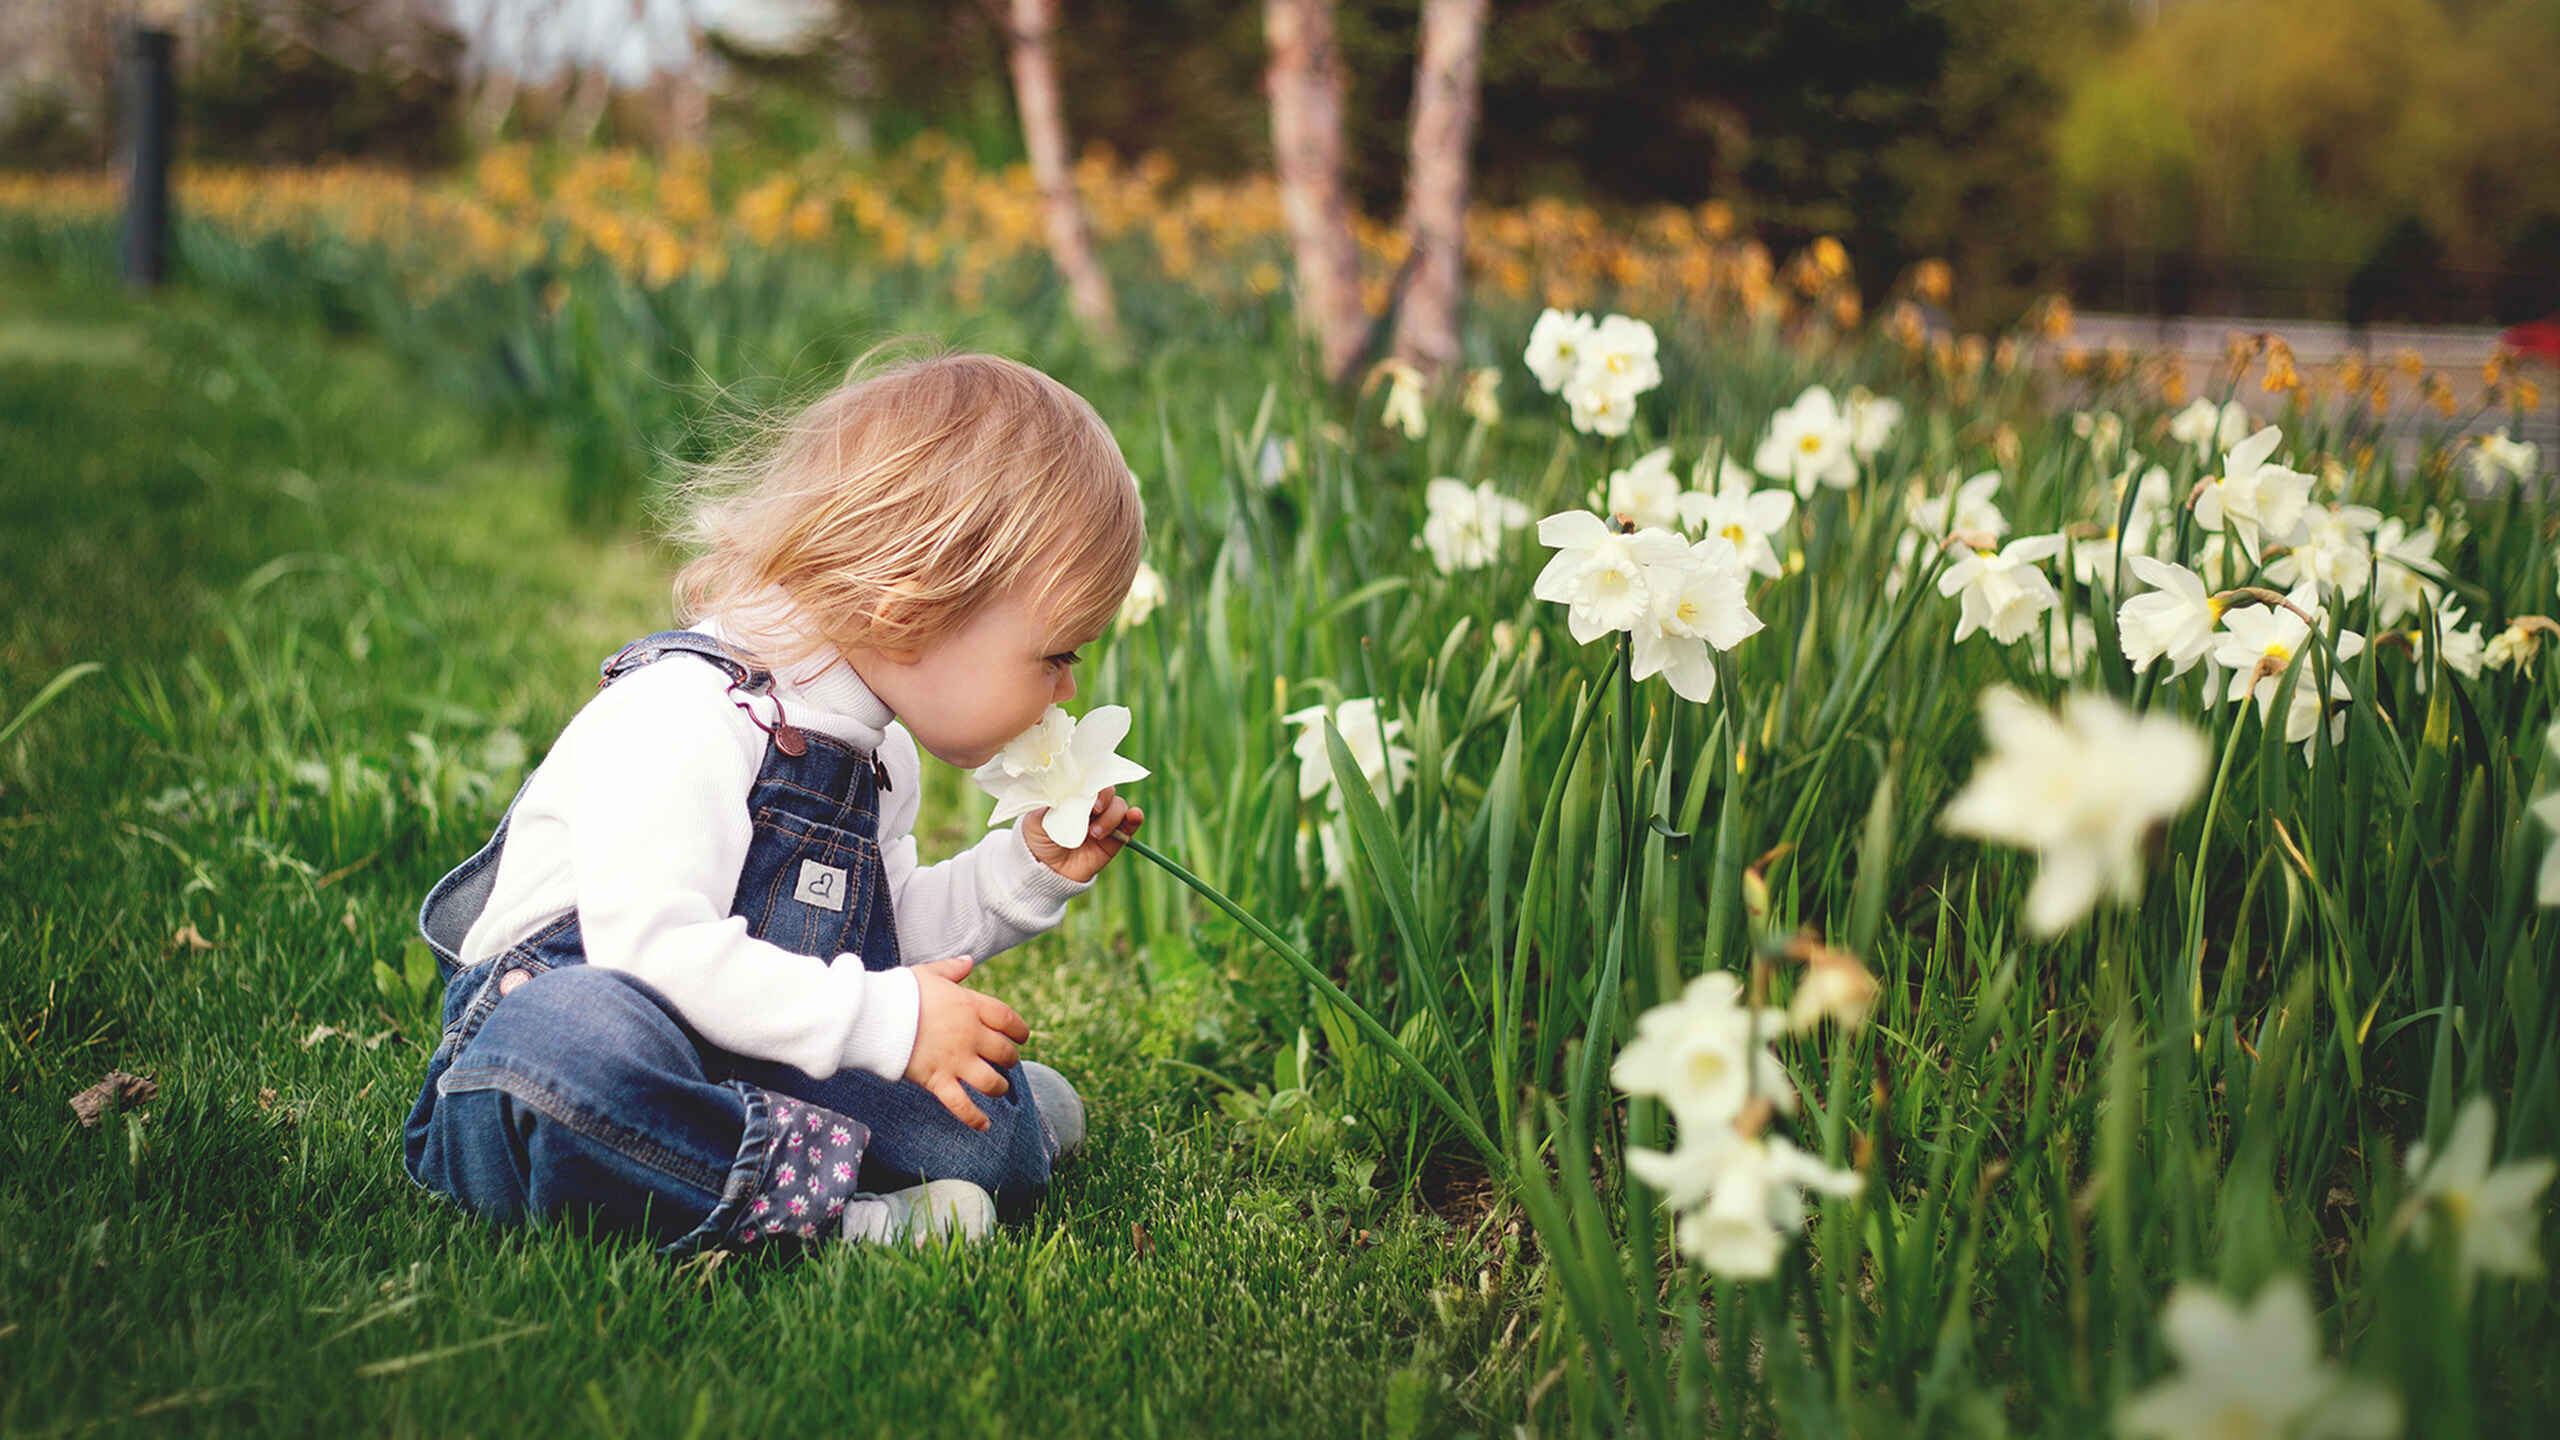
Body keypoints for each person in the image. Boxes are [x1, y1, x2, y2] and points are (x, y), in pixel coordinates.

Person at [401, 350, 1146, 1256]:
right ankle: (838, 1216)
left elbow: (877, 938)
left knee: (986, 1128)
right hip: (573, 1049)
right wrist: (888, 1022)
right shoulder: (687, 713)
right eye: (1058, 654)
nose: (1066, 690)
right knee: (573, 1053)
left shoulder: (877, 754)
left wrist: (1020, 873)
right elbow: (653, 954)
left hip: (747, 1043)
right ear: (916, 604)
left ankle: (966, 1131)